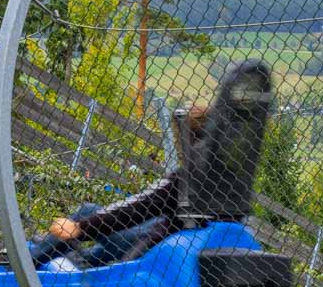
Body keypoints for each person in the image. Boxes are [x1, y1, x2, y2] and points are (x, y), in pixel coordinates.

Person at [34, 59, 274, 267]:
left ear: (189, 139)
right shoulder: (232, 179)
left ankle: (28, 263)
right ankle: (77, 260)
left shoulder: (187, 180)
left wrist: (79, 227)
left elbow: (136, 208)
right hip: (178, 240)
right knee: (105, 248)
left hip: (155, 248)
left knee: (88, 210)